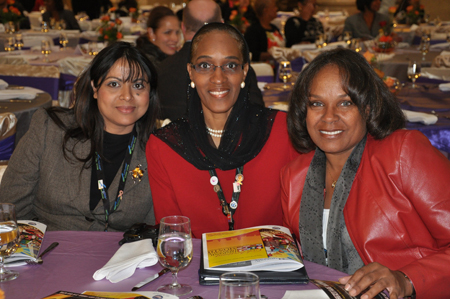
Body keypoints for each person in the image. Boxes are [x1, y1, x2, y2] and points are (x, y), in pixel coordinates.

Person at [281, 48, 450, 299]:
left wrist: (406, 279)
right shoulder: (294, 177)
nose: (329, 117)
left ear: (368, 108)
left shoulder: (402, 154)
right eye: (317, 104)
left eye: (345, 103)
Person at [147, 23, 298, 238]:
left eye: (230, 66)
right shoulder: (164, 147)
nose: (218, 78)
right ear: (191, 72)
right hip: (197, 269)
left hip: (272, 269)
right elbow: (173, 238)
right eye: (205, 65)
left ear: (245, 71)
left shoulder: (283, 132)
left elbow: (302, 223)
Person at [0, 42, 159, 232]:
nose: (127, 95)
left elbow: (155, 229)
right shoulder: (50, 128)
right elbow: (10, 208)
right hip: (49, 250)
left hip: (119, 255)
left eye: (138, 85)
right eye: (114, 84)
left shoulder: (157, 149)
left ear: (150, 93)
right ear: (94, 88)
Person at [157, 0, 263, 121]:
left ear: (183, 28)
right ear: (222, 25)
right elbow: (257, 117)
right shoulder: (237, 68)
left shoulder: (161, 70)